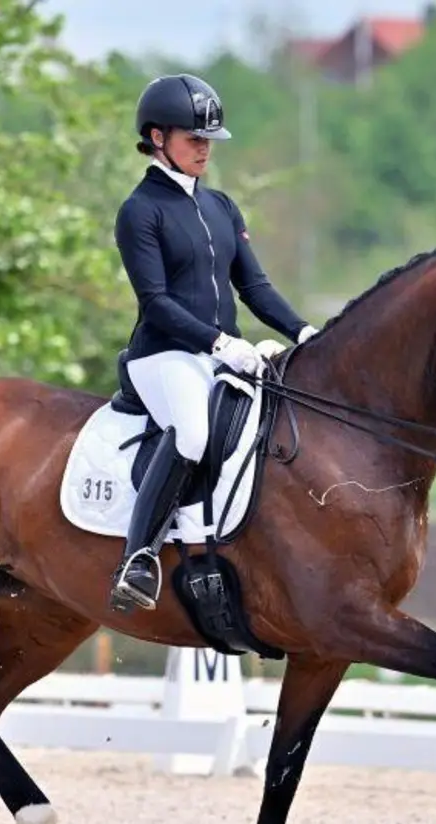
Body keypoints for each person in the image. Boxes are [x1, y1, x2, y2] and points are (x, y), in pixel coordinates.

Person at [108, 72, 319, 613]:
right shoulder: (141, 211)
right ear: (158, 139)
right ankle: (140, 558)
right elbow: (155, 301)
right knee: (194, 434)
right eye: (193, 138)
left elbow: (254, 287)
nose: (204, 149)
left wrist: (305, 333)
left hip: (219, 350)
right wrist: (220, 343)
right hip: (163, 355)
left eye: (209, 140)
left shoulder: (221, 207)